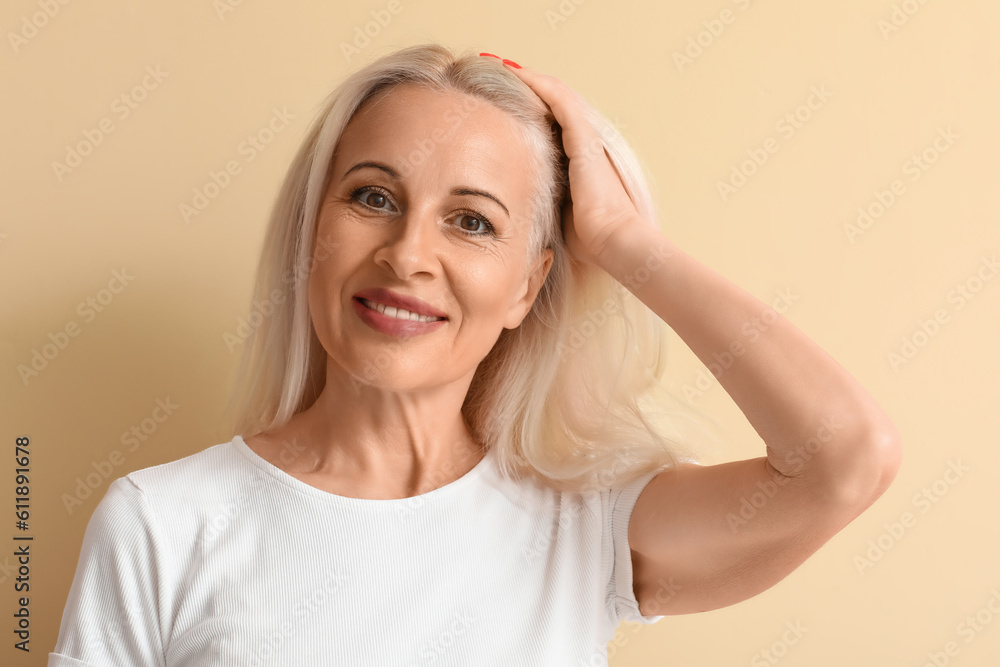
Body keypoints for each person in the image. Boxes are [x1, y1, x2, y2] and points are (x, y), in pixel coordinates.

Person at [49, 43, 901, 666]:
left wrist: (618, 237)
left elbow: (845, 458)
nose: (408, 254)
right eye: (373, 196)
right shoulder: (160, 522)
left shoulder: (583, 527)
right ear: (314, 230)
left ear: (529, 287)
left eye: (472, 220)